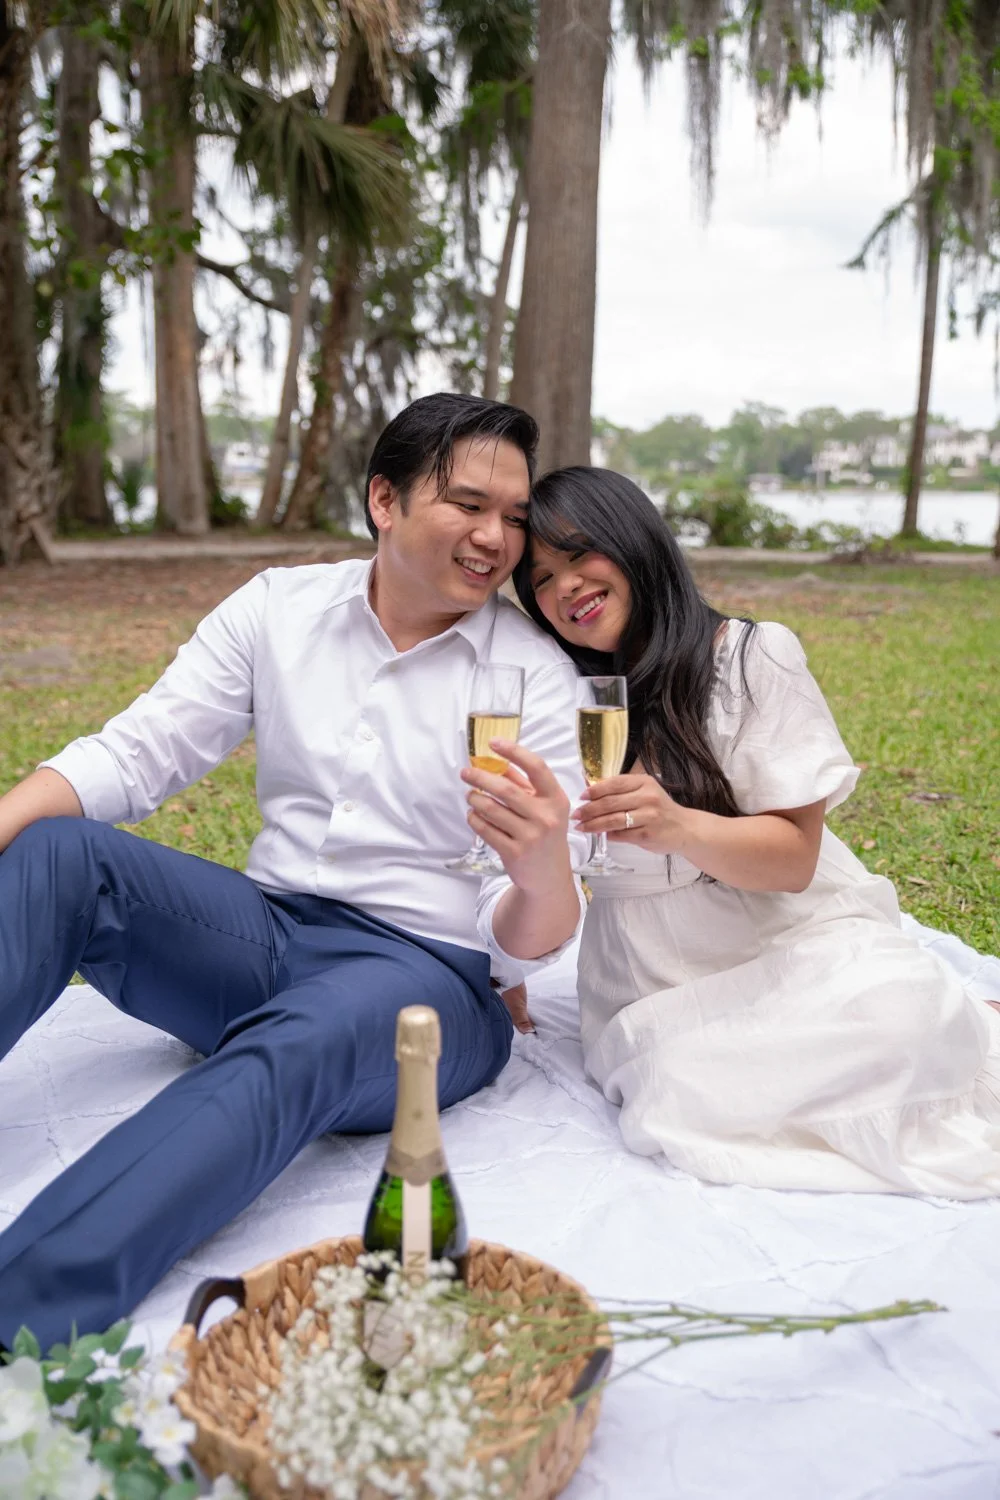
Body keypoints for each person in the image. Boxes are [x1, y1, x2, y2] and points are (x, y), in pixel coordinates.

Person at [0, 394, 587, 1349]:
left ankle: (20, 1307)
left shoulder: (533, 679)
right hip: (264, 934)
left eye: (514, 517)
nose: (496, 538)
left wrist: (541, 874)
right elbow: (143, 750)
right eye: (469, 505)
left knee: (309, 1032)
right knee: (59, 850)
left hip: (428, 980)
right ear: (384, 501)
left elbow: (525, 938)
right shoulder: (280, 607)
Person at [510, 465, 1000, 1199]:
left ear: (635, 541)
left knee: (896, 1013)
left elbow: (796, 860)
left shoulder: (748, 657)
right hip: (649, 976)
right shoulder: (565, 696)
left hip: (786, 935)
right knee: (674, 1091)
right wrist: (501, 964)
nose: (565, 588)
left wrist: (678, 825)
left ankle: (962, 1016)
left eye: (580, 555)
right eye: (541, 579)